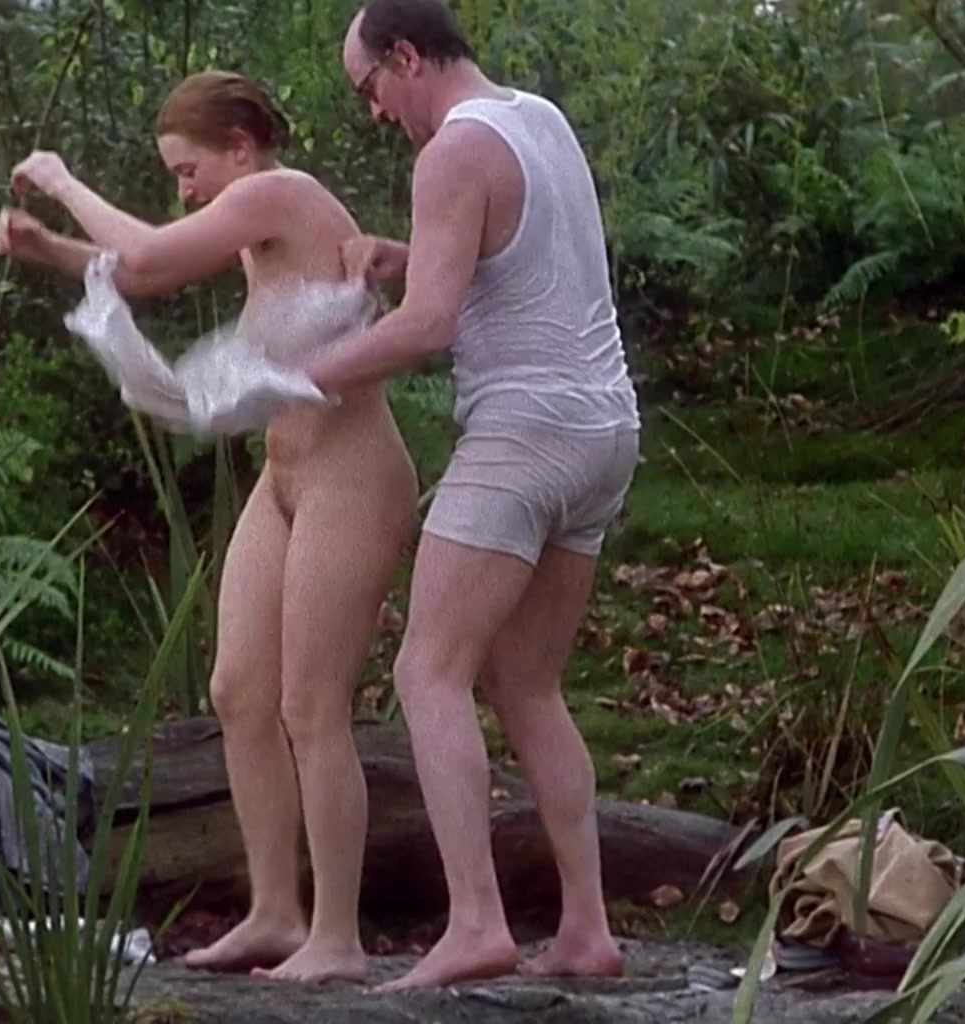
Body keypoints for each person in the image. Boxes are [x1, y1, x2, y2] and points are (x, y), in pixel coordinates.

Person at [0, 70, 419, 984]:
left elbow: (148, 257)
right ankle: (274, 911)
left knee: (311, 705)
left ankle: (337, 936)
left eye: (189, 172)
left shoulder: (280, 192)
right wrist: (50, 248)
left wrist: (60, 182)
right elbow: (148, 265)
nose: (185, 192)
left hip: (351, 476)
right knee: (237, 690)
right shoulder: (259, 222)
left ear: (239, 147)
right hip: (285, 473)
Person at [299, 0, 643, 992]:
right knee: (528, 683)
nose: (373, 111)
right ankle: (586, 930)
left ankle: (477, 923)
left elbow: (427, 327)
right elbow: (511, 265)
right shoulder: (539, 119)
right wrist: (406, 260)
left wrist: (300, 375)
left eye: (370, 87)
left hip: (524, 435)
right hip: (605, 431)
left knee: (428, 670)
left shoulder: (450, 151)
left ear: (407, 57)